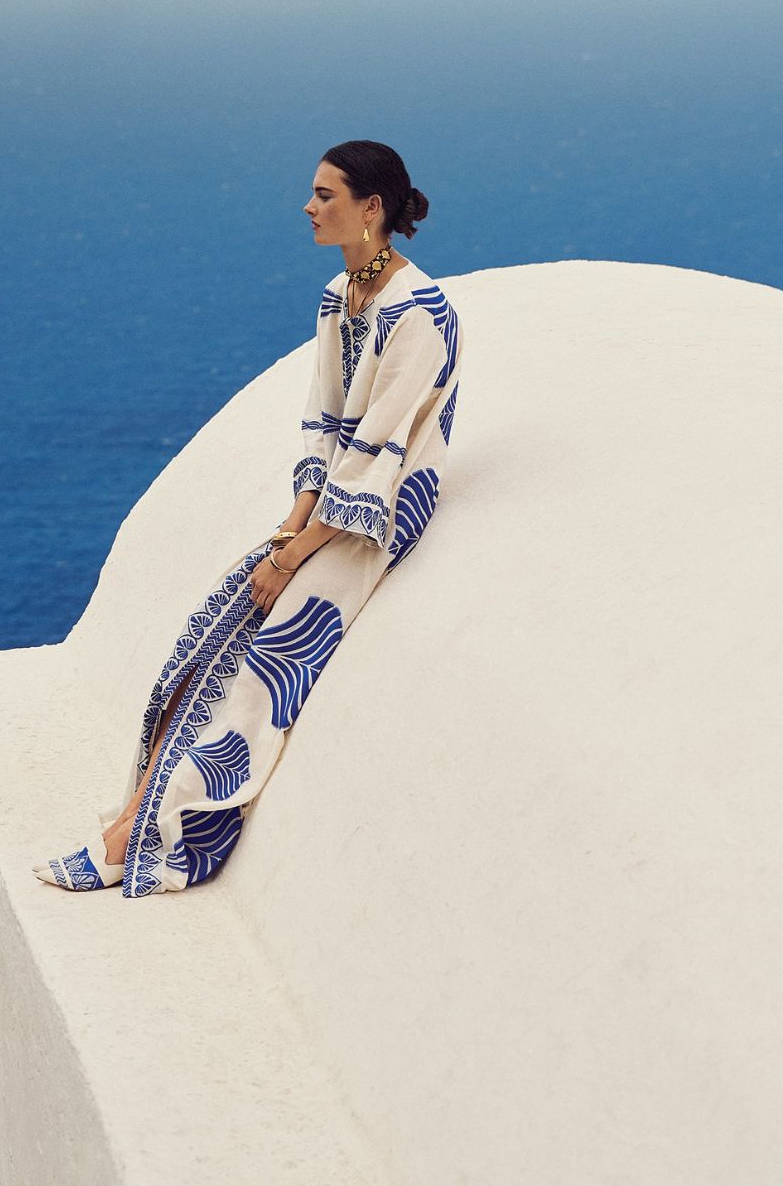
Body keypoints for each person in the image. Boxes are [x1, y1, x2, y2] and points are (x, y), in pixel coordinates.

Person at [33, 140, 462, 896]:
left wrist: (293, 558)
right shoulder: (341, 296)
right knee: (206, 638)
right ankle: (131, 819)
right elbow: (323, 426)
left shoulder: (420, 314)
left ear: (372, 209)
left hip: (380, 517)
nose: (308, 206)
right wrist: (286, 532)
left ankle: (149, 836)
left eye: (326, 195)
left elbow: (374, 455)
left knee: (265, 666)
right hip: (328, 512)